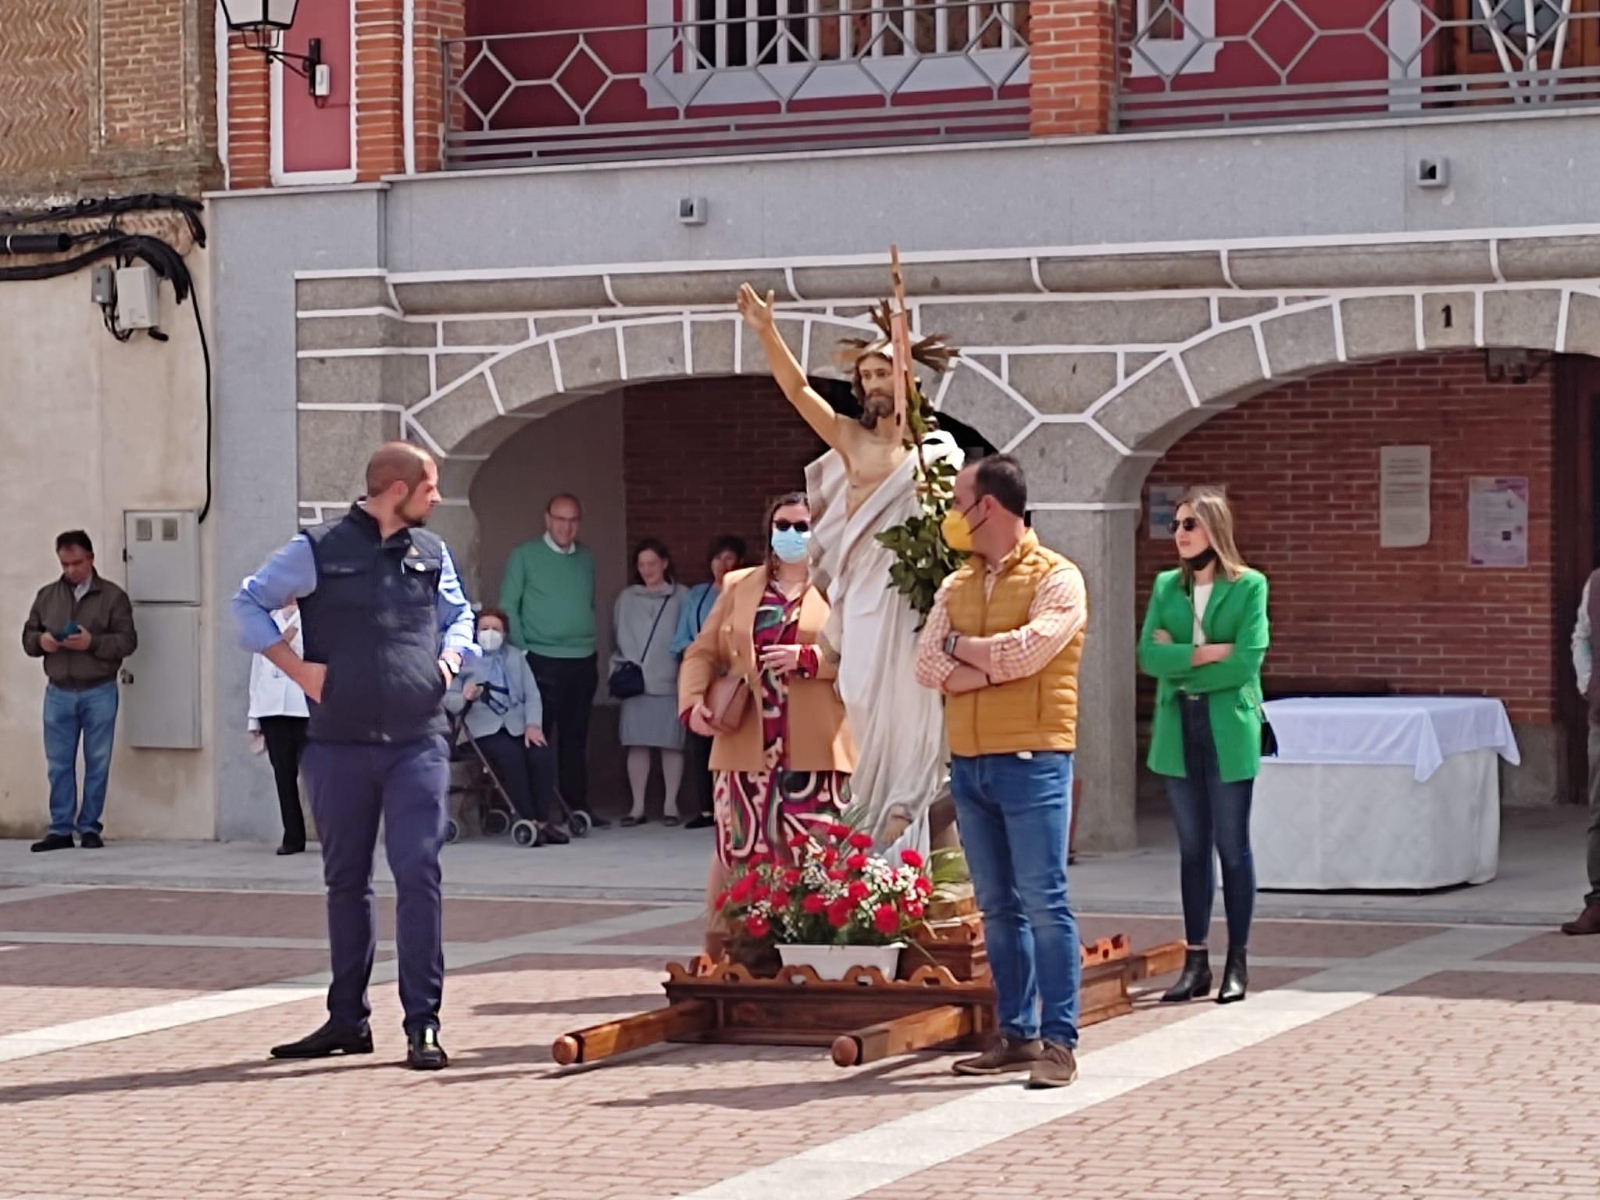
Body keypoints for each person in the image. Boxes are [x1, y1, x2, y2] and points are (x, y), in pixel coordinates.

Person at [231, 442, 477, 1071]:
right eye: (430, 486)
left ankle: (423, 1024)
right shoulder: (315, 550)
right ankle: (348, 1020)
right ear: (396, 488)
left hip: (417, 742)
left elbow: (460, 617)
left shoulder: (432, 552)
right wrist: (295, 669)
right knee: (346, 881)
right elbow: (248, 602)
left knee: (419, 873)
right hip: (338, 745)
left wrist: (449, 662)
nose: (438, 497)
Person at [739, 284, 961, 854]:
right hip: (862, 597)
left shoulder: (936, 455)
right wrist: (767, 330)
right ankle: (871, 813)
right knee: (861, 701)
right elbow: (796, 391)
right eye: (864, 377)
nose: (871, 385)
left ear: (907, 377)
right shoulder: (851, 439)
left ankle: (907, 815)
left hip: (911, 607)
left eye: (882, 373)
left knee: (913, 714)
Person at [914, 455, 1088, 1090]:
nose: (952, 512)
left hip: (1033, 759)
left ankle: (1059, 1041)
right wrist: (979, 661)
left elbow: (1031, 650)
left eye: (959, 498)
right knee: (995, 906)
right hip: (971, 763)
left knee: (1045, 901)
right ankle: (1016, 1033)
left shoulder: (1058, 577)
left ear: (986, 506)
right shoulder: (957, 585)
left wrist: (967, 657)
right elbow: (924, 662)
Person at [680, 493, 855, 953]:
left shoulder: (840, 585)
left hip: (814, 743)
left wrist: (809, 659)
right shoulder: (739, 585)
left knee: (813, 852)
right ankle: (730, 951)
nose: (792, 535)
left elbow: (863, 653)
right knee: (737, 849)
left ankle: (813, 949)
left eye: (803, 526)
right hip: (745, 739)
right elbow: (702, 651)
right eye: (783, 524)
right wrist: (693, 701)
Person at [1138, 487, 1271, 1005]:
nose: (1180, 533)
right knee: (1192, 848)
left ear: (1214, 528)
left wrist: (1185, 661)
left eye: (1189, 524)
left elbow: (1246, 664)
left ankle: (1237, 960)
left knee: (1231, 847)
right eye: (1176, 524)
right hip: (1178, 727)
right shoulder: (1166, 587)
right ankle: (1196, 961)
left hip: (1227, 727)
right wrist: (1205, 654)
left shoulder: (1249, 586)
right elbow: (1148, 656)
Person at [21, 530, 138, 852]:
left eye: (77, 563)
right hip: (58, 690)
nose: (71, 570)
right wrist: (41, 642)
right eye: (65, 564)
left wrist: (93, 643)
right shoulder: (47, 596)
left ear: (91, 559)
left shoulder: (113, 597)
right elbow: (28, 636)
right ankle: (60, 829)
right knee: (58, 764)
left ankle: (89, 827)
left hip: (98, 689)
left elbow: (127, 641)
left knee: (97, 762)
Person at [500, 494, 609, 829]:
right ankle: (538, 810)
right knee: (539, 736)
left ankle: (577, 806)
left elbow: (586, 602)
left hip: (582, 659)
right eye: (560, 519)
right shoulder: (525, 556)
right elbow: (508, 606)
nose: (566, 526)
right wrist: (524, 653)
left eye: (573, 520)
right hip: (540, 659)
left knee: (577, 738)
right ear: (547, 519)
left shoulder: (586, 557)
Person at [446, 607, 569, 845]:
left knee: (540, 755)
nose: (490, 633)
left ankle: (542, 821)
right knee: (512, 756)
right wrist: (464, 696)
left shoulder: (515, 657)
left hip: (517, 724)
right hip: (482, 727)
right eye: (484, 629)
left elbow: (532, 695)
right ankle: (527, 820)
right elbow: (447, 698)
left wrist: (533, 725)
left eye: (495, 629)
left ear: (505, 633)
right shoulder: (464, 658)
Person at [672, 535, 747, 830]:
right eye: (717, 558)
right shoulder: (698, 595)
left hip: (733, 681)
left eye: (729, 558)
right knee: (699, 743)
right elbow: (686, 639)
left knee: (729, 741)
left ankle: (729, 808)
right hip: (704, 677)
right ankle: (705, 808)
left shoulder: (745, 592)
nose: (722, 565)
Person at [613, 539, 689, 826]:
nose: (647, 570)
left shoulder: (682, 596)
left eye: (652, 564)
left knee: (671, 744)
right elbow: (616, 632)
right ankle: (637, 807)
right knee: (637, 743)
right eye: (642, 565)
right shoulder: (626, 598)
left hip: (670, 679)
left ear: (665, 563)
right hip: (636, 682)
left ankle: (671, 805)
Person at [247, 600, 310, 855]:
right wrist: (254, 717)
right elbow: (257, 672)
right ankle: (293, 836)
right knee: (283, 775)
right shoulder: (266, 621)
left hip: (304, 706)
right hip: (272, 707)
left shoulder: (312, 618)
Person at [1565, 569, 1600, 934]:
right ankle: (1599, 903)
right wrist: (1588, 684)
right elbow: (1582, 638)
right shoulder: (1597, 582)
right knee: (1599, 814)